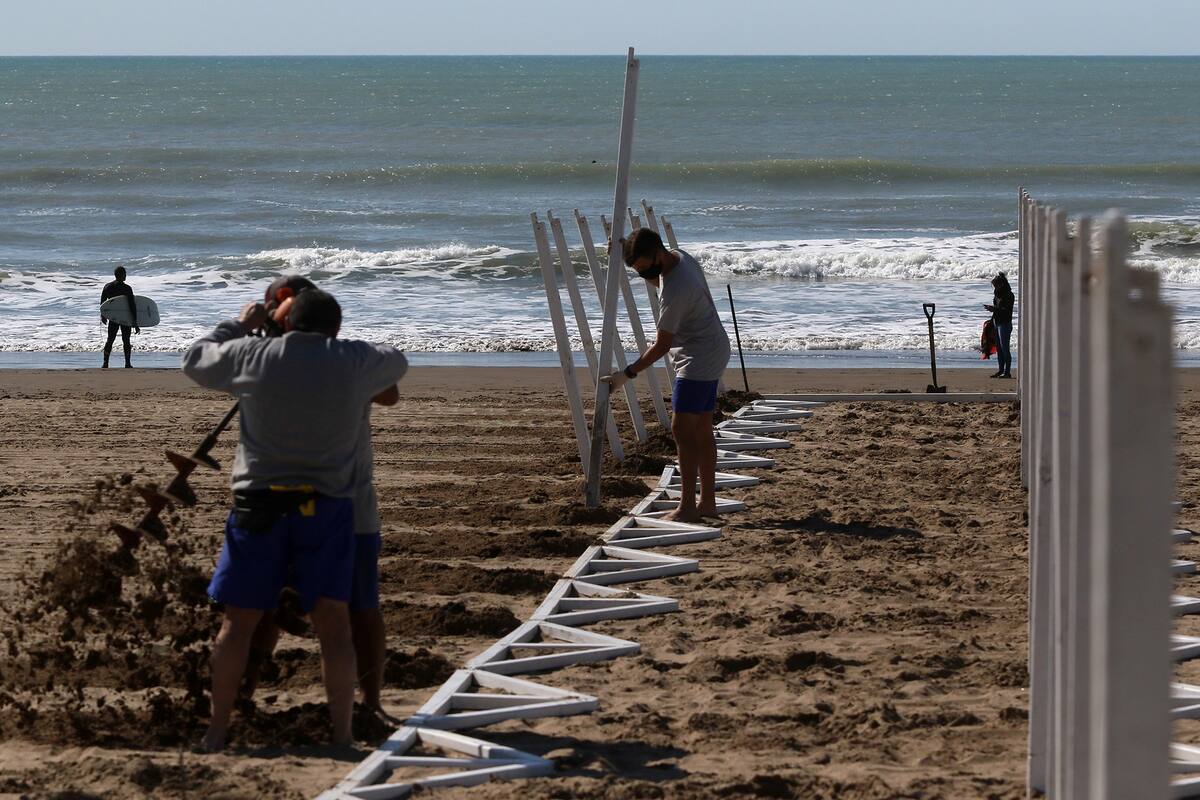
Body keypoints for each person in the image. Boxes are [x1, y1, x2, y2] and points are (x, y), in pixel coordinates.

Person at [181, 289, 408, 751]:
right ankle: (343, 736)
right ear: (335, 328)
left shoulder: (253, 355)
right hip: (325, 508)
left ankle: (216, 731)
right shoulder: (349, 362)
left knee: (236, 624)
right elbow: (395, 362)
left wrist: (242, 324)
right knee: (334, 626)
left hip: (258, 506)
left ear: (285, 318)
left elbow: (196, 358)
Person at [607, 228, 731, 522]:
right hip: (712, 347)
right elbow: (657, 278)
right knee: (700, 429)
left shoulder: (677, 290)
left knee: (682, 430)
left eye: (644, 268)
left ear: (657, 255)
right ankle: (708, 503)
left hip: (698, 358)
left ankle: (688, 507)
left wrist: (627, 374)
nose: (644, 274)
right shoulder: (678, 256)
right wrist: (625, 246)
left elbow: (662, 344)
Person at [100, 266, 140, 368]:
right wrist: (135, 322)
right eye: (125, 274)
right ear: (122, 275)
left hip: (113, 318)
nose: (126, 276)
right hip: (125, 318)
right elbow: (132, 306)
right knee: (126, 340)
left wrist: (103, 316)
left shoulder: (107, 287)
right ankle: (127, 363)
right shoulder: (127, 288)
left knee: (110, 340)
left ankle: (105, 363)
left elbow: (103, 304)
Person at [984, 272, 1015, 379]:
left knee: (1005, 348)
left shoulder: (1009, 295)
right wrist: (991, 321)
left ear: (1001, 284)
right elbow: (997, 310)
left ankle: (1007, 372)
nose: (994, 287)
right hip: (996, 322)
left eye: (996, 285)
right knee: (999, 348)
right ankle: (1001, 370)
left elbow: (1006, 311)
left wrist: (994, 309)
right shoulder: (997, 294)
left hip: (1005, 323)